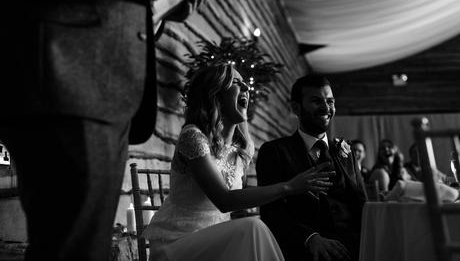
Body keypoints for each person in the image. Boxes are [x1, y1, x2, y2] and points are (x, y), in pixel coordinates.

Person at [0, 0, 218, 260]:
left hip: (104, 89)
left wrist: (165, 2)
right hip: (67, 78)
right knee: (73, 248)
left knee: (88, 246)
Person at [143, 64, 335, 261]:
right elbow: (225, 200)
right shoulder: (193, 136)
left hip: (218, 242)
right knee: (253, 227)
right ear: (215, 93)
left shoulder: (243, 149)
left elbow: (241, 199)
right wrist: (288, 187)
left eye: (245, 84)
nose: (246, 89)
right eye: (237, 83)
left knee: (257, 233)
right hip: (178, 243)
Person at [257, 74, 367, 261]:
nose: (326, 108)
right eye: (316, 101)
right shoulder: (274, 151)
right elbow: (271, 211)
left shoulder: (346, 151)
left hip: (356, 247)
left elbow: (360, 200)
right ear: (295, 108)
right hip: (306, 252)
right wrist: (309, 238)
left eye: (330, 101)